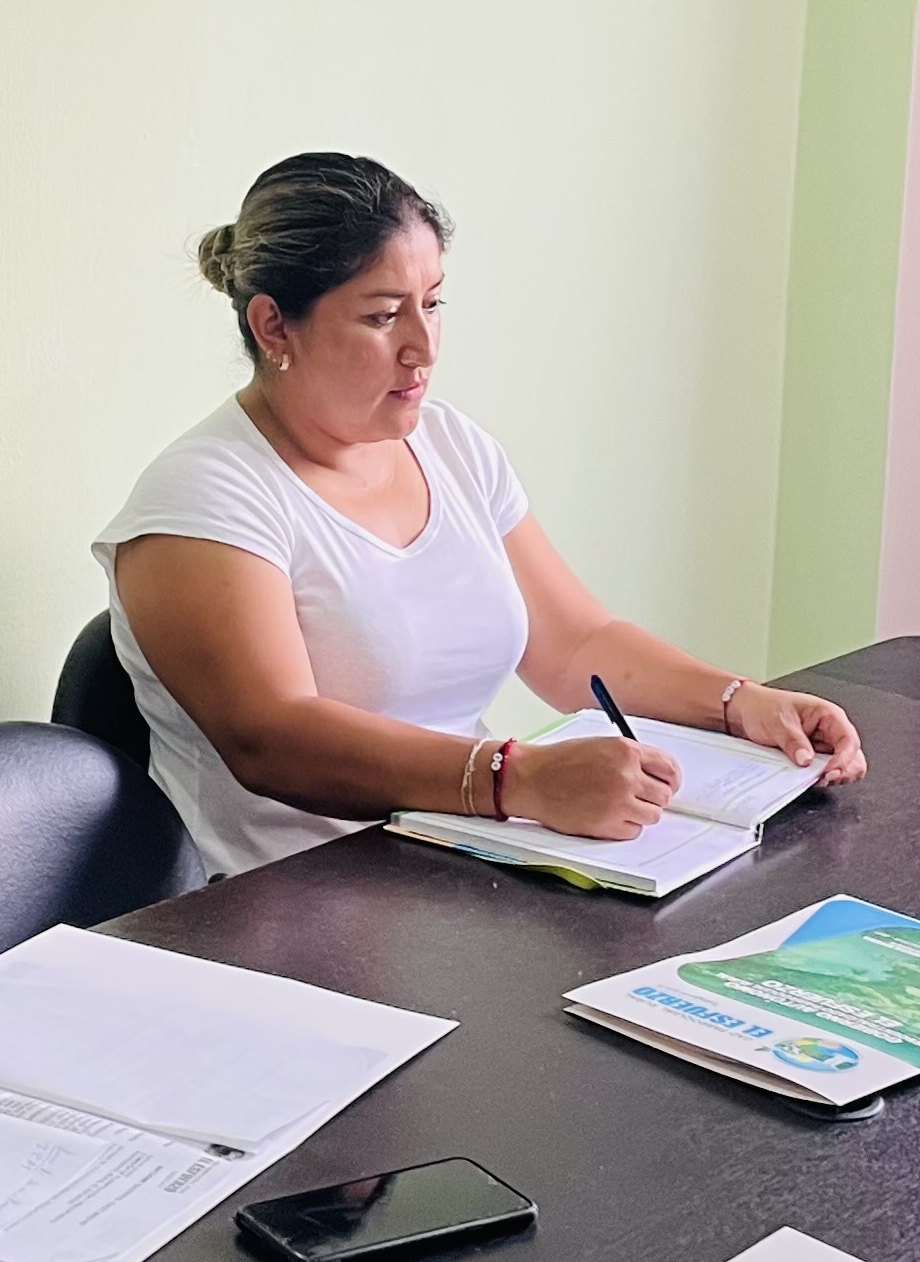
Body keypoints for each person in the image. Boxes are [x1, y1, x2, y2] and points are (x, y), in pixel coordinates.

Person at [99, 151, 865, 876]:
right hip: (278, 905)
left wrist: (740, 704)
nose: (422, 347)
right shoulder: (202, 498)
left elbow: (574, 644)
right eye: (382, 317)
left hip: (452, 867)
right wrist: (517, 779)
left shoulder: (451, 445)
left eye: (433, 304)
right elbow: (273, 737)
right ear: (274, 326)